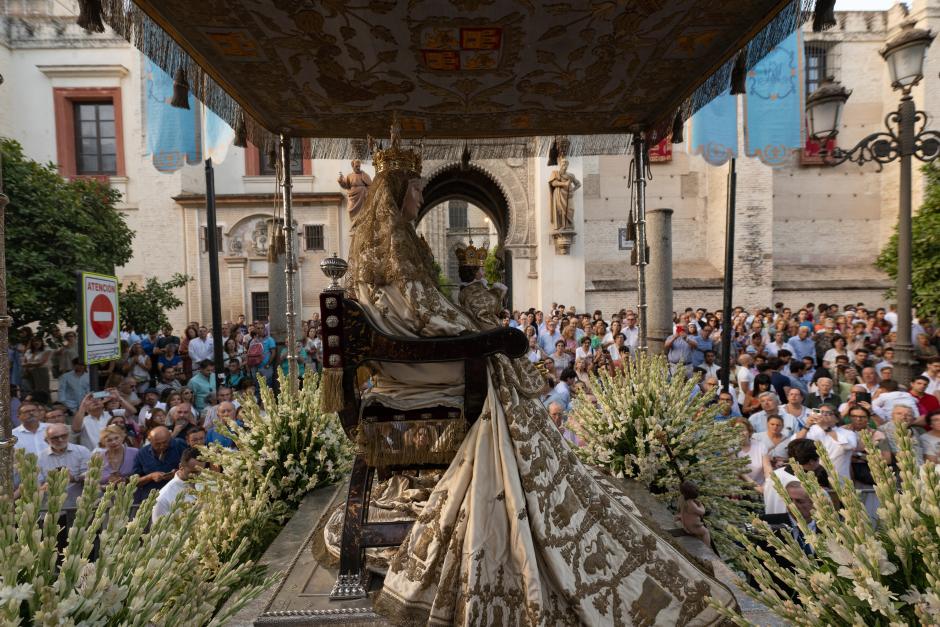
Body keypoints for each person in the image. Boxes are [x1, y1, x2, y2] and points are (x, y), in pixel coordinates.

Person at [330, 135, 736, 623]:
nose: (419, 197)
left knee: (497, 361)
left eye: (420, 189)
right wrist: (483, 332)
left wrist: (472, 325)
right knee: (499, 367)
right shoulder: (394, 256)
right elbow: (424, 319)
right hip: (416, 368)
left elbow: (421, 315)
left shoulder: (389, 252)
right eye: (415, 190)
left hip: (406, 363)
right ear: (398, 195)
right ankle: (530, 494)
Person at [132, 425, 189, 501]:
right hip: (152, 497)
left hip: (178, 494)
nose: (162, 446)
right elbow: (134, 482)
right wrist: (150, 476)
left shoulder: (179, 445)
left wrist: (177, 473)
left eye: (165, 442)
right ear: (150, 440)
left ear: (170, 437)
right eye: (157, 444)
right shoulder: (142, 453)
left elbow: (192, 467)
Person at [152, 447, 205, 523]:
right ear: (180, 467)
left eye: (201, 471)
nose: (198, 475)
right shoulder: (163, 497)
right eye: (193, 472)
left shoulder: (206, 482)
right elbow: (159, 531)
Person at [735, 418, 771, 492]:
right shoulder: (731, 449)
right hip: (741, 490)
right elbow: (740, 472)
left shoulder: (760, 445)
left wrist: (767, 483)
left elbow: (767, 467)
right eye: (737, 431)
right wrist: (756, 487)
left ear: (749, 431)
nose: (740, 433)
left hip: (762, 486)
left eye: (743, 430)